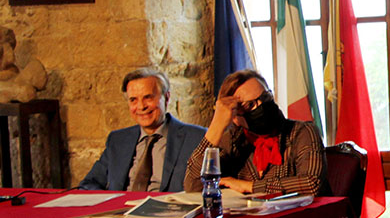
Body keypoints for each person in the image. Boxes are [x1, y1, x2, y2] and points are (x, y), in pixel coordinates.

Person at [184, 70, 326, 195]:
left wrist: (249, 187)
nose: (261, 106)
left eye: (265, 98)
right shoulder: (232, 140)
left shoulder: (302, 131)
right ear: (236, 118)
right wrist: (216, 126)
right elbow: (193, 185)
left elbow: (311, 183)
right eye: (250, 105)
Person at [78, 68, 206, 192]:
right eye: (133, 100)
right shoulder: (118, 140)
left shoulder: (196, 138)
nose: (141, 106)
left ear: (166, 98)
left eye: (148, 97)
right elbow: (89, 184)